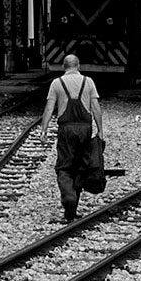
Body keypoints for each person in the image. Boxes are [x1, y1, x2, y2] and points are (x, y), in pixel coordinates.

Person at [39, 54, 104, 223]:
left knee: (64, 165)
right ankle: (72, 208)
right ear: (78, 65)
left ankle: (69, 198)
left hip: (66, 129)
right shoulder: (88, 82)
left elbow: (48, 109)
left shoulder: (56, 83)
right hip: (85, 128)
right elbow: (96, 108)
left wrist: (44, 131)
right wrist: (100, 130)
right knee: (82, 165)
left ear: (63, 67)